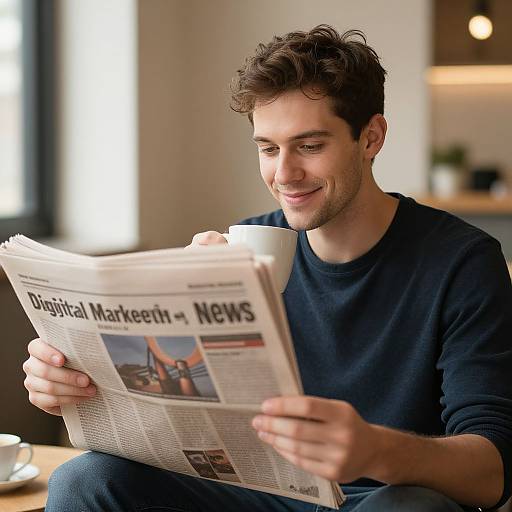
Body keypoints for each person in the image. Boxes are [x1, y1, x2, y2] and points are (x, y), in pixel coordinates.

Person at [22, 25, 512, 512]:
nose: (284, 174)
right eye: (268, 148)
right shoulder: (242, 244)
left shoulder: (462, 261)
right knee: (86, 480)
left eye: (311, 146)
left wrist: (375, 449)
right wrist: (73, 381)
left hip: (381, 497)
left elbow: (494, 471)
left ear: (371, 137)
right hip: (261, 492)